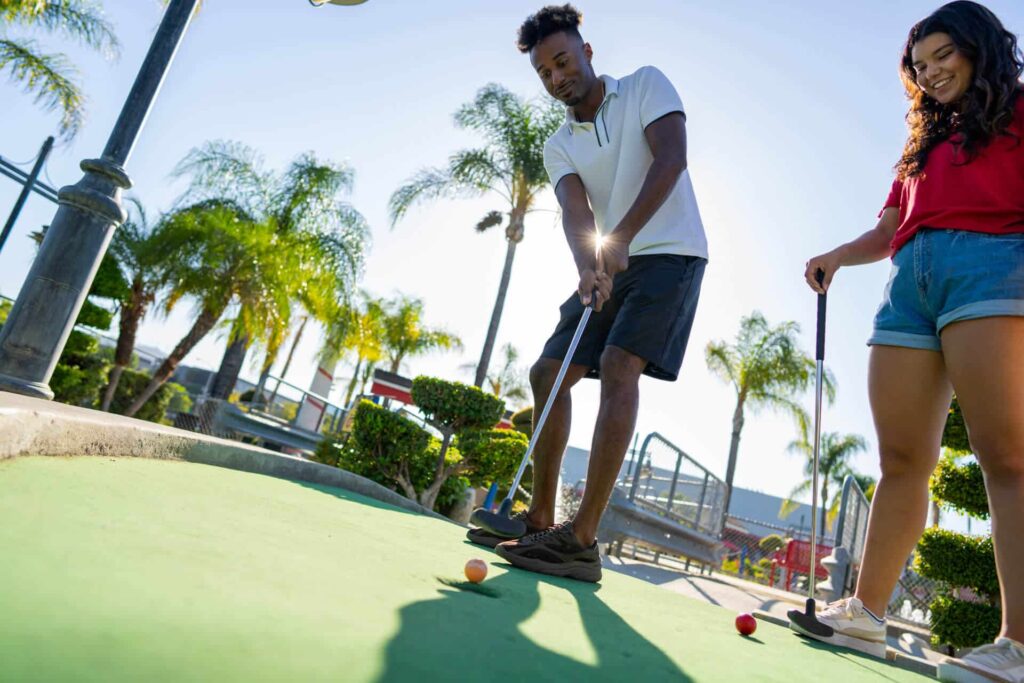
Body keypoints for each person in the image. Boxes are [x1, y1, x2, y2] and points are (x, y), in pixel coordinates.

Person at [797, 2, 1024, 680]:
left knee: (1006, 456)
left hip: (993, 266)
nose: (930, 75)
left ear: (978, 48)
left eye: (942, 57)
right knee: (901, 458)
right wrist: (836, 255)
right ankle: (865, 614)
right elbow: (889, 226)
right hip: (910, 285)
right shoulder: (922, 143)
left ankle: (1016, 645)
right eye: (919, 67)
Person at [466, 4, 708, 584]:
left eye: (562, 61)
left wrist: (621, 237)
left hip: (671, 253)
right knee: (548, 374)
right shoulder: (560, 145)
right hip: (612, 263)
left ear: (587, 53)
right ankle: (541, 518)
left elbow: (672, 159)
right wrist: (588, 266)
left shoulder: (646, 84)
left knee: (620, 364)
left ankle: (581, 540)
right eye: (544, 72)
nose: (556, 77)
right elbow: (577, 212)